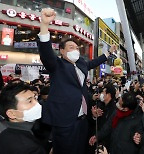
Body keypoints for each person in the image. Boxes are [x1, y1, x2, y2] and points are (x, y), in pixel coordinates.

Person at [37, 8, 117, 154]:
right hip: (64, 121)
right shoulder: (57, 65)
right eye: (71, 47)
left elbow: (95, 62)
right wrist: (44, 25)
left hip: (82, 119)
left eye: (77, 48)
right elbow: (46, 52)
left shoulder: (81, 64)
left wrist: (109, 52)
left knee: (81, 149)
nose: (76, 50)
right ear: (61, 51)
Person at [0, 82, 46, 154]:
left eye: (35, 98)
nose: (37, 104)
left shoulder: (5, 134)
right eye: (30, 101)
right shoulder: (28, 148)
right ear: (12, 114)